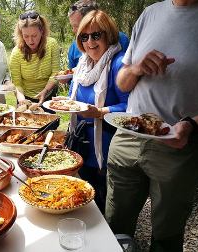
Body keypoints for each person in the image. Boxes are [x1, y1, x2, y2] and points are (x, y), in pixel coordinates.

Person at [105, 0, 198, 251]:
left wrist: (192, 124)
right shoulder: (150, 14)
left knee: (166, 236)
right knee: (113, 229)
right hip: (127, 137)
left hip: (181, 144)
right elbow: (123, 83)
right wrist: (136, 68)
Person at [64, 10, 129, 214]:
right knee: (84, 199)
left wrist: (99, 112)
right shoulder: (82, 65)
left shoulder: (118, 64)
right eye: (84, 36)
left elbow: (132, 107)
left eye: (96, 35)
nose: (90, 42)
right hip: (81, 142)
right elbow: (73, 99)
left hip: (107, 146)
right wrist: (64, 102)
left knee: (106, 203)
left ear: (108, 35)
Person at [9, 11, 60, 110]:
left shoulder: (52, 44)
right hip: (25, 97)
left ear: (42, 31)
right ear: (21, 34)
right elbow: (17, 83)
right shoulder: (16, 53)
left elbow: (56, 73)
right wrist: (22, 100)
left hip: (48, 95)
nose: (30, 41)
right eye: (26, 36)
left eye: (34, 35)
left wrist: (45, 91)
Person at [67, 0, 129, 70]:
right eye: (72, 26)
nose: (73, 30)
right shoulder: (73, 48)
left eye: (77, 26)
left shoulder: (121, 40)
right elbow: (71, 74)